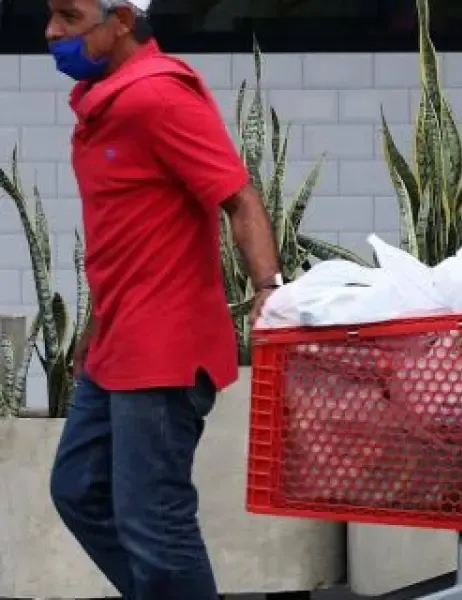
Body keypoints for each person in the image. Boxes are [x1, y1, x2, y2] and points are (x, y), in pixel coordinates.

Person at [44, 0, 281, 597]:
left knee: (154, 520)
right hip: (117, 340)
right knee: (78, 488)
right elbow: (128, 235)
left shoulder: (159, 97)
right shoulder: (107, 103)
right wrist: (95, 326)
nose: (52, 32)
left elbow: (238, 196)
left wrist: (267, 287)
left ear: (122, 20)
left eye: (69, 17)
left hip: (162, 348)